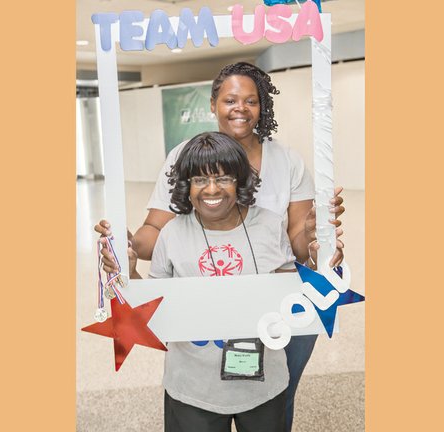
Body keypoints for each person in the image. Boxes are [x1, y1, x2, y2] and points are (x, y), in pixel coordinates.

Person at [96, 62, 345, 431]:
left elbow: (295, 245)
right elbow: (156, 236)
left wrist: (313, 239)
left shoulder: (285, 167)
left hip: (274, 307)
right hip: (200, 355)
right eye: (230, 99)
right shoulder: (185, 166)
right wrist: (125, 248)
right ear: (214, 104)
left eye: (250, 100)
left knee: (274, 396)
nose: (240, 108)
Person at [130, 131, 303, 432]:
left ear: (240, 181)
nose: (212, 189)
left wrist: (319, 256)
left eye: (223, 178)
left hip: (264, 386)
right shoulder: (171, 234)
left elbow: (291, 298)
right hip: (193, 390)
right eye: (199, 179)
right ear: (187, 185)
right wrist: (127, 271)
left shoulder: (270, 225)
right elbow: (151, 309)